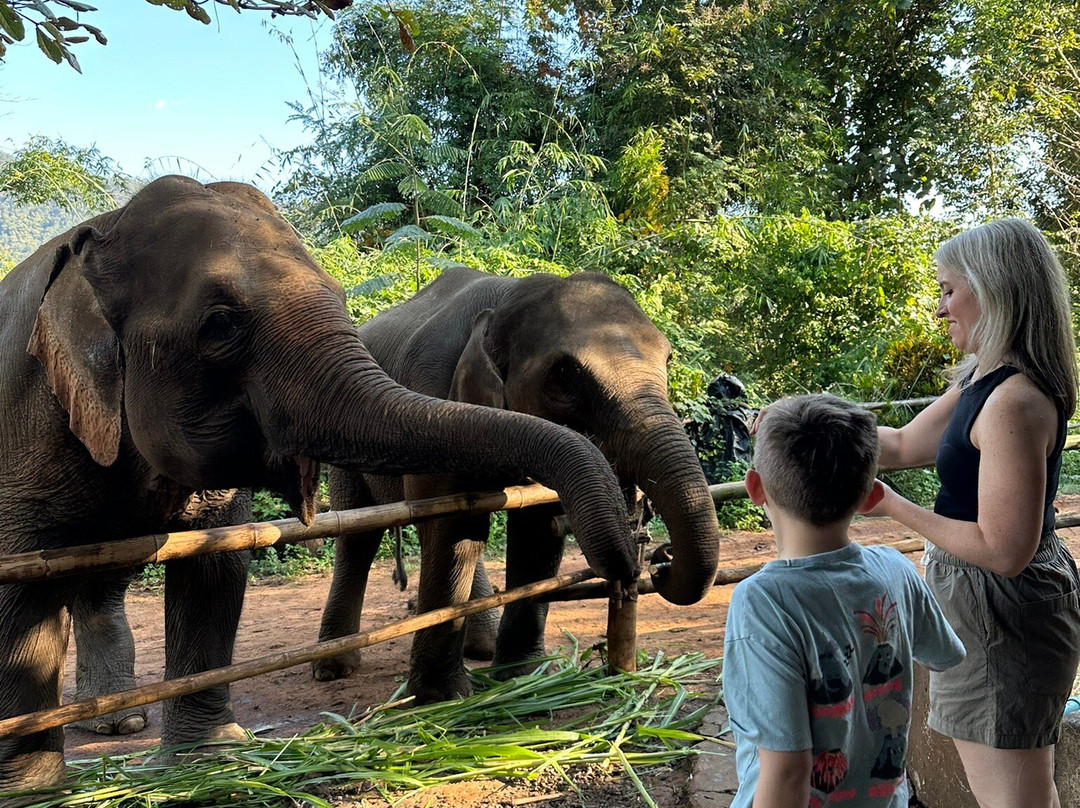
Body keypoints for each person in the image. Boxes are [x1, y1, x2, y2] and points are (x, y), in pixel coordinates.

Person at [865, 218, 1080, 808]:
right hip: (983, 603)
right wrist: (809, 417)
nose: (940, 309)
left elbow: (1003, 550)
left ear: (992, 289)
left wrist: (892, 506)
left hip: (999, 607)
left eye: (948, 290)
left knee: (1013, 800)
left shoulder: (1014, 401)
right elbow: (901, 445)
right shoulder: (983, 381)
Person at [725, 394, 965, 808]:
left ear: (755, 488)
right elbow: (945, 654)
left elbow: (787, 773)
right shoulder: (895, 570)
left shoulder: (763, 603)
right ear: (871, 497)